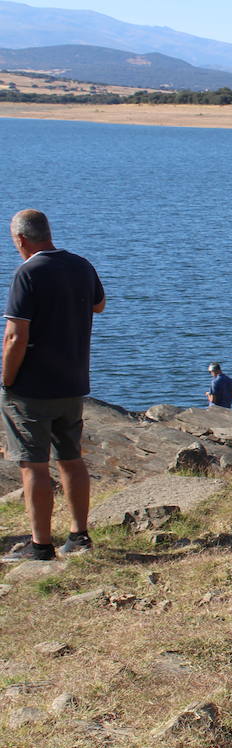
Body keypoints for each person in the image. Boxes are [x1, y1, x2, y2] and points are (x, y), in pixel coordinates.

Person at [2, 210, 105, 562]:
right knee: (71, 459)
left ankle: (40, 545)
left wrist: (7, 379)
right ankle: (79, 537)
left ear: (20, 240)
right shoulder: (81, 265)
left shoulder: (27, 272)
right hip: (73, 381)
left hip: (32, 387)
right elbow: (99, 305)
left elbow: (15, 335)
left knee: (33, 465)